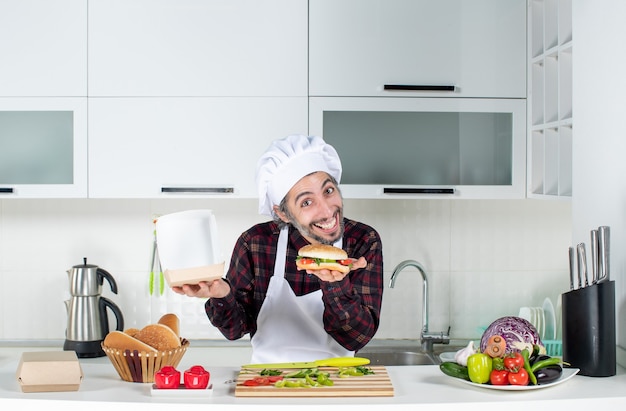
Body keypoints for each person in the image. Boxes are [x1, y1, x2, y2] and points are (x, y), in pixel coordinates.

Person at [173, 135, 383, 363]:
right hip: (267, 382)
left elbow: (357, 338)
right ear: (283, 213)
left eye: (329, 191)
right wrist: (221, 294)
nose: (326, 210)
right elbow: (234, 331)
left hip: (336, 381)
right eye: (306, 202)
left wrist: (336, 286)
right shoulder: (256, 243)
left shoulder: (362, 240)